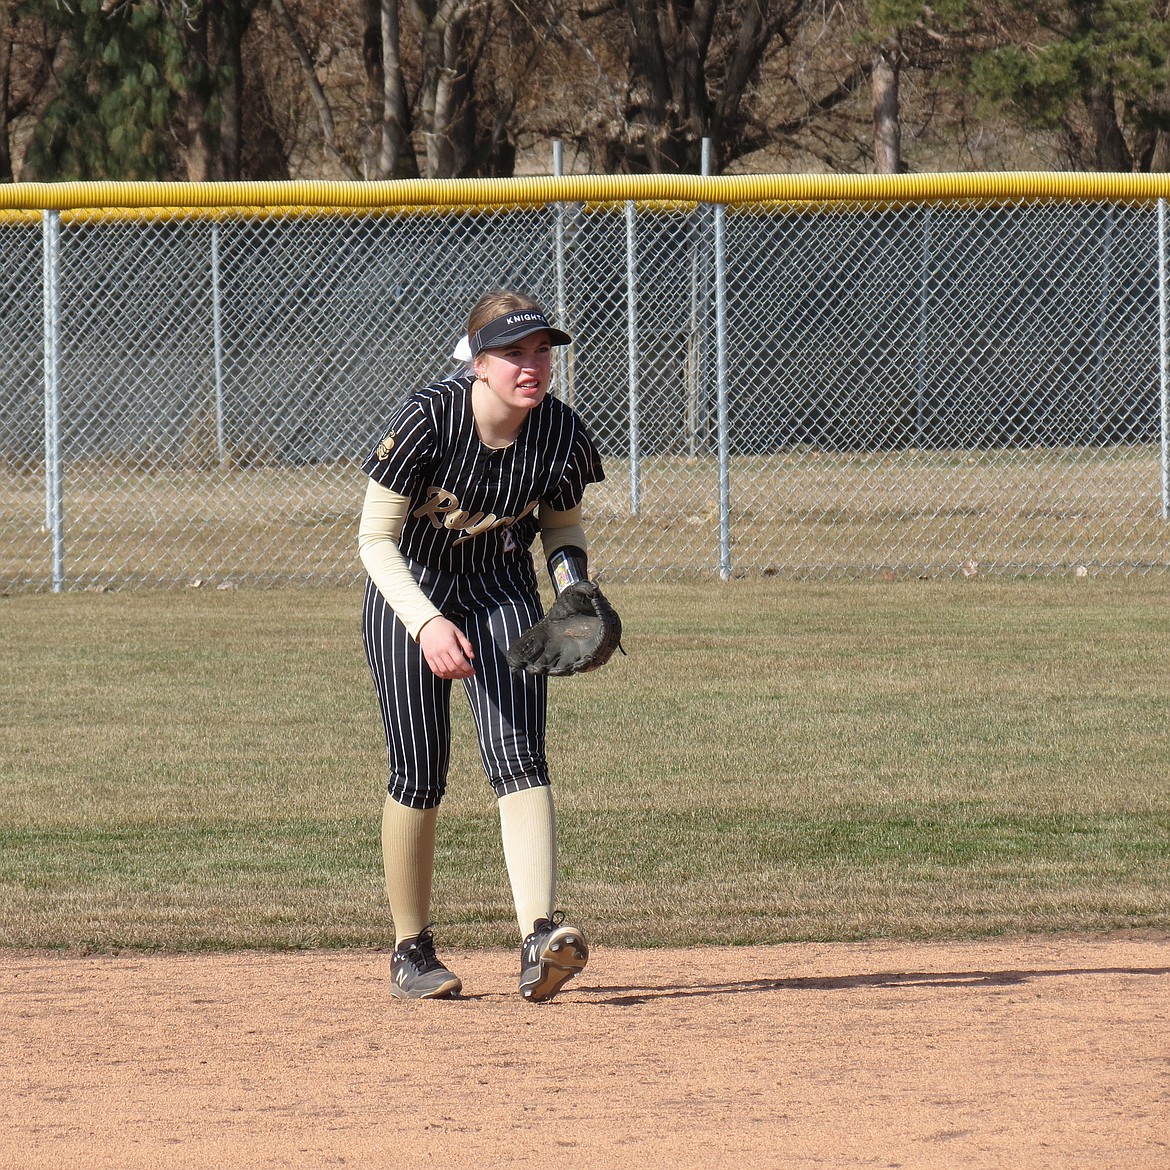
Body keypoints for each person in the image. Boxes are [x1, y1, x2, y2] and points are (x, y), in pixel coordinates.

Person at [358, 289, 604, 1002]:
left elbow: (561, 528)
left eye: (542, 351)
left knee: (520, 754)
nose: (532, 365)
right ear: (478, 364)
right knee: (419, 770)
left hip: (500, 588)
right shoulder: (429, 418)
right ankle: (411, 949)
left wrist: (573, 587)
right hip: (413, 589)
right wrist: (427, 623)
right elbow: (374, 540)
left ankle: (539, 939)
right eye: (513, 353)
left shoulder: (558, 431)